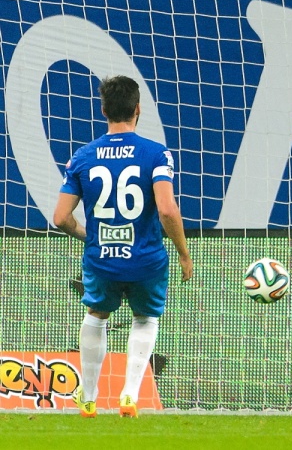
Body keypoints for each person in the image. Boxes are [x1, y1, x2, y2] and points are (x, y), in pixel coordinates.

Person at [53, 75, 193, 418]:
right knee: (145, 318)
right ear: (138, 109)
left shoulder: (83, 156)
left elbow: (60, 218)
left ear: (103, 110)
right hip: (146, 258)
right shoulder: (156, 154)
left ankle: (89, 396)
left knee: (96, 316)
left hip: (103, 260)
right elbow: (166, 209)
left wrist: (92, 236)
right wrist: (183, 253)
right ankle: (130, 395)